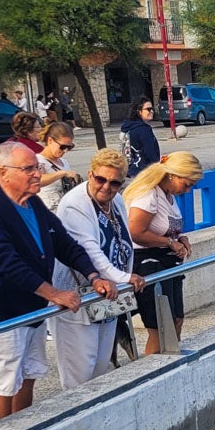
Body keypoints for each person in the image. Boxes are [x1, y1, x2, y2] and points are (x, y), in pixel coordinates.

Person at [0, 142, 112, 422]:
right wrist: (54, 293)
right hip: (2, 312)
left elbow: (65, 244)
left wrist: (93, 275)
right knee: (3, 381)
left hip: (32, 307)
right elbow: (4, 262)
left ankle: (21, 429)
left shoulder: (32, 202)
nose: (37, 174)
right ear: (3, 172)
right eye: (29, 168)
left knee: (30, 371)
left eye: (37, 167)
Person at [49, 149, 145, 388]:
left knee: (101, 368)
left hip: (108, 295)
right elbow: (90, 252)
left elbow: (125, 243)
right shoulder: (74, 204)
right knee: (79, 375)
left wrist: (122, 282)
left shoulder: (117, 200)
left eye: (114, 182)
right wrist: (126, 277)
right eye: (100, 179)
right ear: (90, 175)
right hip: (77, 298)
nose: (106, 187)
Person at [124, 152, 203, 355]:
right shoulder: (148, 194)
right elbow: (136, 232)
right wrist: (169, 242)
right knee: (160, 328)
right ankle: (151, 373)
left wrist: (181, 238)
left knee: (176, 320)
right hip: (149, 263)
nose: (188, 190)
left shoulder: (168, 195)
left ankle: (170, 362)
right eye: (187, 184)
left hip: (167, 263)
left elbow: (168, 227)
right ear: (173, 175)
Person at [35, 122, 83, 211]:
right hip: (47, 211)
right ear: (50, 141)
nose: (65, 151)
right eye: (63, 146)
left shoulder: (64, 162)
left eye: (69, 147)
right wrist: (62, 173)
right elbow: (36, 180)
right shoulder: (37, 160)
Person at [120, 98, 160, 177]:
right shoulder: (144, 130)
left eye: (152, 109)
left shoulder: (129, 127)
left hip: (131, 170)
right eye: (148, 109)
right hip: (144, 172)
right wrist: (158, 168)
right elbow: (150, 153)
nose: (151, 111)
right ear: (139, 111)